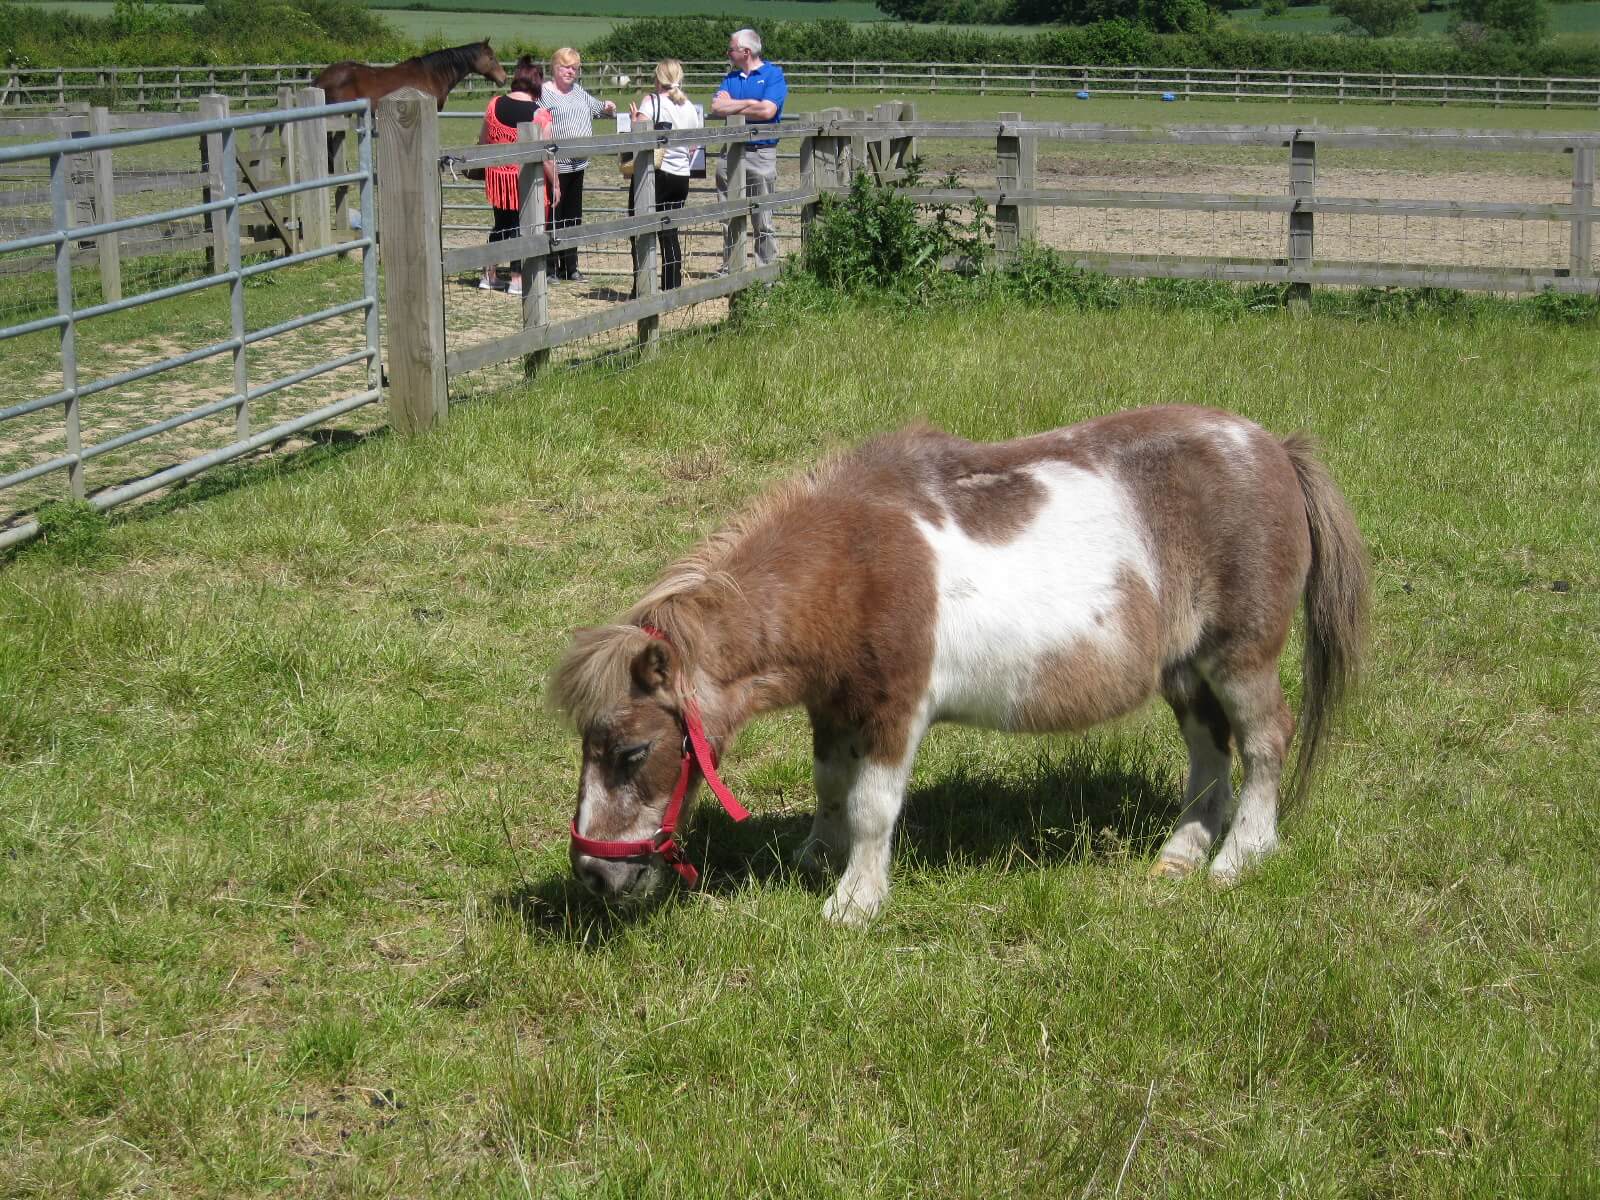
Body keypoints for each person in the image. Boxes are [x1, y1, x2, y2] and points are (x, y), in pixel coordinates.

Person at [476, 55, 558, 297]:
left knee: (502, 226)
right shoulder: (540, 113)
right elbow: (547, 156)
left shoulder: (493, 105)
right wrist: (556, 184)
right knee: (522, 228)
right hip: (525, 181)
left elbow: (483, 142)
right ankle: (517, 278)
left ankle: (489, 275)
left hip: (498, 178)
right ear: (536, 84)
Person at [711, 28, 787, 273]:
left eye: (731, 49)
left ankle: (765, 270)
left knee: (762, 216)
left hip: (761, 154)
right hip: (730, 154)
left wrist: (733, 106)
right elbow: (716, 107)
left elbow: (768, 112)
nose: (728, 53)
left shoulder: (773, 75)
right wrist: (750, 104)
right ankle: (732, 267)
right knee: (729, 213)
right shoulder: (731, 78)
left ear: (746, 51)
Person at [541, 47, 616, 283]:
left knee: (573, 216)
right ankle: (551, 266)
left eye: (574, 68)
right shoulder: (544, 92)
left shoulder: (578, 92)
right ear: (554, 67)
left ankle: (571, 266)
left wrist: (608, 107)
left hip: (578, 165)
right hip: (555, 165)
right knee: (554, 215)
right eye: (565, 66)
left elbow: (598, 108)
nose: (569, 72)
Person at [628, 60, 703, 292]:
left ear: (657, 78)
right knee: (669, 232)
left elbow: (638, 135)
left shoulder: (651, 102)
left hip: (656, 174)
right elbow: (693, 144)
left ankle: (642, 286)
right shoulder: (689, 106)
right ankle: (672, 285)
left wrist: (633, 122)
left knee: (639, 230)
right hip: (681, 175)